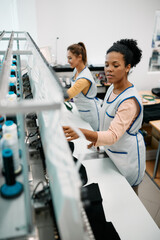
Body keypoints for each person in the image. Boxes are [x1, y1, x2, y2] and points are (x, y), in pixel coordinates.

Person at [63, 39, 146, 195]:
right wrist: (96, 140)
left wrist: (83, 133)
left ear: (128, 67)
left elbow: (113, 134)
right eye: (107, 65)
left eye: (115, 65)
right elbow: (106, 120)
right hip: (112, 152)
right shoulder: (112, 88)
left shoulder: (129, 101)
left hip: (127, 159)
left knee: (130, 201)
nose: (109, 70)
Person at [65, 42, 100, 131]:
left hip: (90, 115)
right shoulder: (76, 71)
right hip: (82, 111)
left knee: (92, 141)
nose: (68, 61)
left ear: (79, 57)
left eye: (70, 58)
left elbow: (68, 95)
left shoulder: (83, 79)